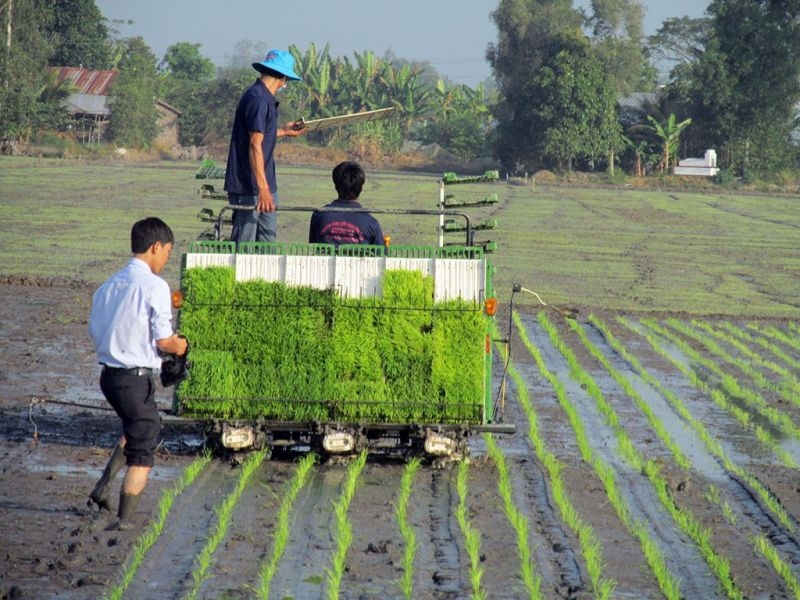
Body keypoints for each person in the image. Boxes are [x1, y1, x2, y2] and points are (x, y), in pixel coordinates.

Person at [87, 217, 189, 530]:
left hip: (109, 377)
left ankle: (102, 488)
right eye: (168, 252)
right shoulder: (155, 286)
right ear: (155, 247)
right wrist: (180, 346)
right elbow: (163, 340)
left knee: (134, 425)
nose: (167, 258)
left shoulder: (109, 284)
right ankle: (124, 521)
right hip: (133, 379)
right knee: (144, 443)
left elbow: (97, 330)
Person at [224, 49, 307, 245]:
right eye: (285, 80)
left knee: (268, 239)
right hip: (249, 186)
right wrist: (262, 189)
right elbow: (254, 144)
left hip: (265, 183)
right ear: (282, 77)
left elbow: (259, 134)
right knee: (245, 240)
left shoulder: (264, 98)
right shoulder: (259, 99)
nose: (284, 84)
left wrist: (284, 132)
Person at [309, 161, 385, 246]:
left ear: (335, 185)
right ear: (361, 187)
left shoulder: (319, 215)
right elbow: (382, 255)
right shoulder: (371, 223)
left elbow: (314, 248)